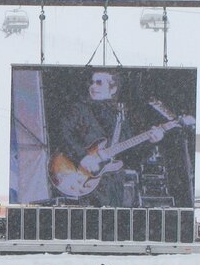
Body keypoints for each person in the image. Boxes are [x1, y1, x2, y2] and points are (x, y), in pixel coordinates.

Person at [59, 70, 167, 206]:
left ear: (113, 89)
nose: (93, 87)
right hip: (78, 179)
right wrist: (83, 156)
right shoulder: (79, 110)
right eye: (92, 83)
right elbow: (63, 134)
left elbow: (132, 155)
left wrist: (151, 141)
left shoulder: (120, 117)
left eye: (99, 83)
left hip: (112, 186)